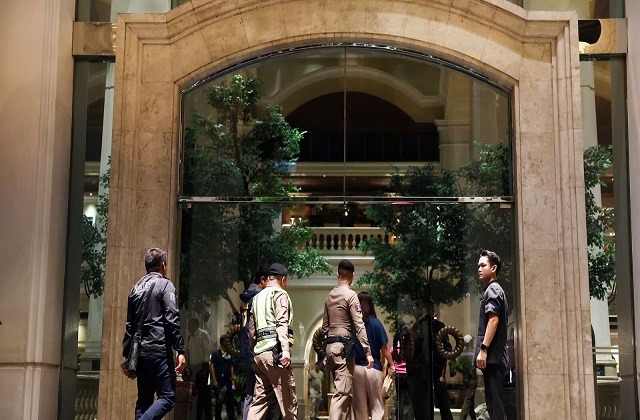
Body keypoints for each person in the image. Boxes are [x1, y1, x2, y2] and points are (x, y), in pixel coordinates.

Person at [122, 247, 187, 420]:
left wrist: (127, 357)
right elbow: (172, 318)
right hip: (158, 351)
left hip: (140, 354)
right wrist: (180, 350)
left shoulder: (135, 288)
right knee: (168, 396)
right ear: (164, 265)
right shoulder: (165, 285)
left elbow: (130, 326)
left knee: (144, 402)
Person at [322, 259, 373, 420]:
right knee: (342, 394)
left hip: (331, 348)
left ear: (338, 275)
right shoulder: (351, 295)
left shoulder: (329, 296)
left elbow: (325, 327)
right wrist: (368, 352)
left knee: (345, 394)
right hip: (343, 349)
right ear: (352, 276)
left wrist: (325, 352)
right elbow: (359, 324)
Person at [248, 263, 298, 420]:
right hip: (275, 355)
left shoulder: (256, 298)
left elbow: (251, 331)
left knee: (258, 403)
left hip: (260, 356)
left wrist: (254, 350)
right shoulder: (279, 294)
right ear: (283, 280)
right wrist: (285, 350)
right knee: (288, 403)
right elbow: (281, 323)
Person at [474, 250, 509, 420]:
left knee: (495, 405)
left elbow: (493, 320)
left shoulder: (493, 289)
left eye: (483, 265)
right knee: (494, 404)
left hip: (493, 358)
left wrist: (483, 349)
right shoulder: (493, 289)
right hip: (494, 358)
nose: (479, 269)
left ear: (493, 268)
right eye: (478, 266)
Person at [352, 292, 395, 420]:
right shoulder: (376, 323)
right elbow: (385, 348)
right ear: (371, 305)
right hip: (374, 369)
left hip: (357, 369)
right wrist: (392, 365)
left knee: (359, 408)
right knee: (377, 406)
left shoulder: (354, 324)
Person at [239, 265, 269, 420]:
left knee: (250, 395)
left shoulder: (247, 297)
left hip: (245, 353)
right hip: (255, 352)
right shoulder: (259, 297)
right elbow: (253, 330)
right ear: (262, 280)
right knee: (262, 396)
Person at [187, 317, 213, 420]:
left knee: (203, 396)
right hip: (193, 369)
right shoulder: (190, 337)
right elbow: (188, 352)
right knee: (195, 395)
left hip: (202, 368)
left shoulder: (203, 335)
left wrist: (204, 369)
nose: (188, 327)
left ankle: (204, 417)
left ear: (195, 324)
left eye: (189, 325)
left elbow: (207, 351)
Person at [450, 335, 478, 420]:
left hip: (469, 382)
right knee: (468, 405)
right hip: (470, 382)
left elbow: (459, 369)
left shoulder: (467, 354)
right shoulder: (468, 354)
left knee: (469, 405)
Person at [210, 335, 237, 420]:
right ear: (223, 342)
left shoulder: (229, 354)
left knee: (230, 402)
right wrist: (214, 380)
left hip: (228, 381)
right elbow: (211, 366)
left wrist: (233, 379)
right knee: (219, 403)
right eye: (227, 341)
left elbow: (231, 366)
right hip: (219, 382)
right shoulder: (215, 353)